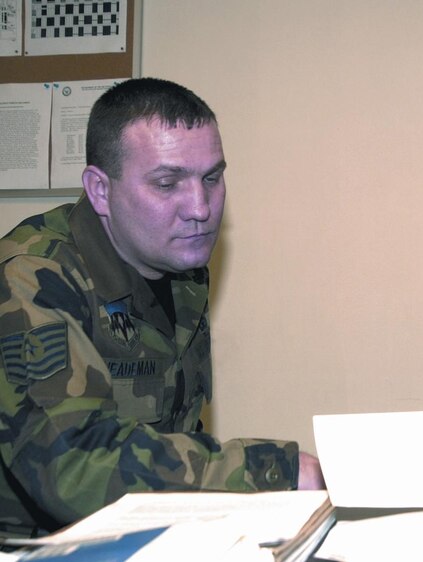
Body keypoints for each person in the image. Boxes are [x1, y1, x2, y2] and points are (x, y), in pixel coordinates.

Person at [0, 78, 323, 538]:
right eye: (167, 182)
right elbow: (72, 462)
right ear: (99, 190)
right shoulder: (31, 278)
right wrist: (269, 472)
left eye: (212, 177)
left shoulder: (180, 265)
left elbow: (173, 433)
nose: (200, 208)